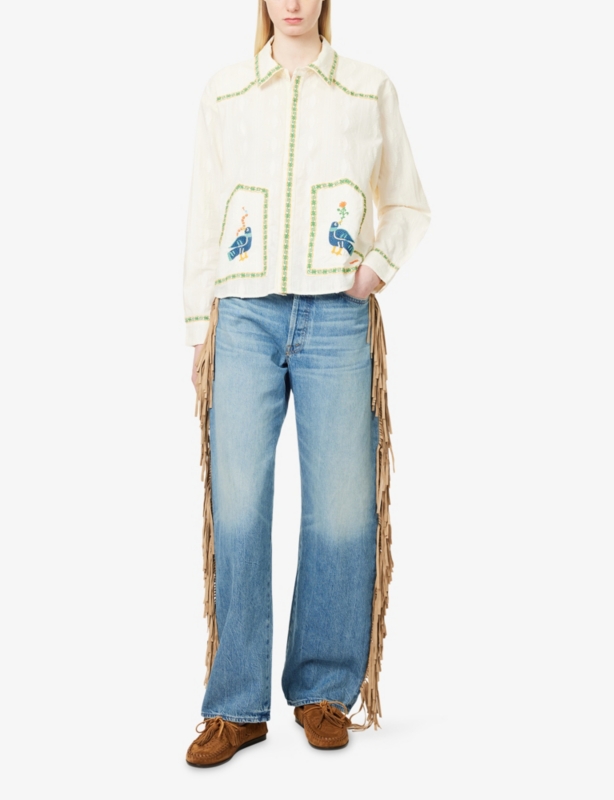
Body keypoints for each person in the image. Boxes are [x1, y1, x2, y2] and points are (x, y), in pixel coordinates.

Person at [182, 0, 430, 767]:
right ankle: (235, 706)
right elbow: (204, 214)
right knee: (238, 507)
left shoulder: (367, 87)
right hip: (243, 318)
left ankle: (323, 690)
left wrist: (375, 268)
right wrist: (199, 327)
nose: (292, 2)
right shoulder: (226, 90)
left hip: (336, 320)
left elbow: (408, 201)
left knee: (343, 507)